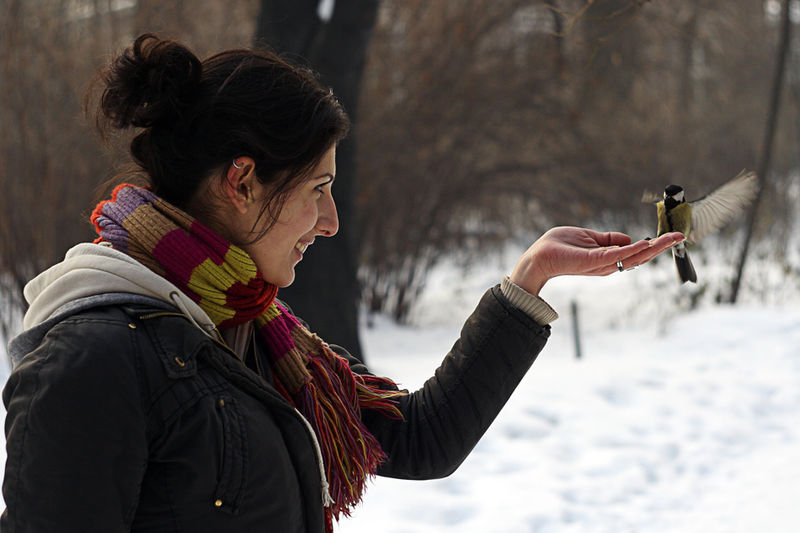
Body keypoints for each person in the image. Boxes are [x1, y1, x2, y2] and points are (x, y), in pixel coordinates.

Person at [1, 34, 684, 533]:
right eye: (318, 188)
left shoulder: (247, 326)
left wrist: (531, 277)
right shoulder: (93, 361)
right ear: (242, 181)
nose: (330, 221)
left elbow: (419, 437)